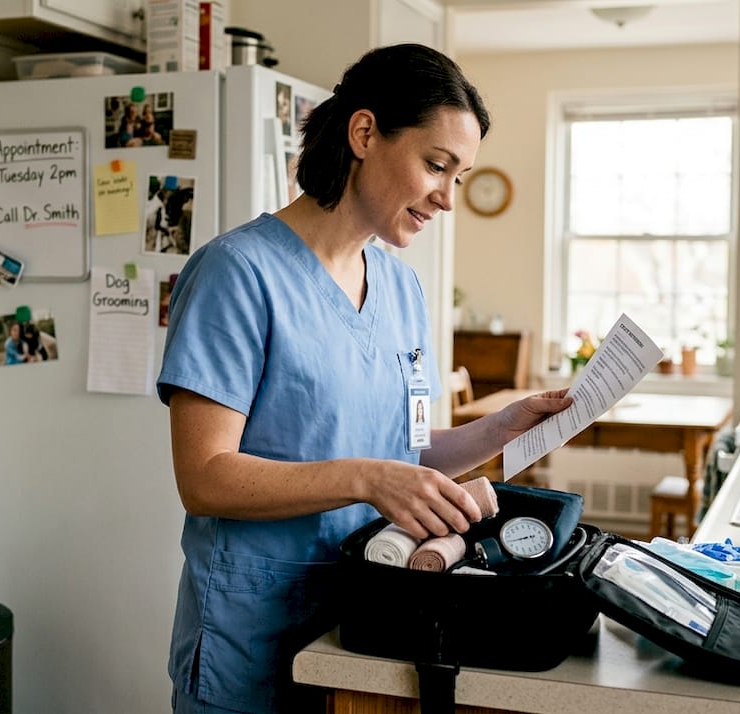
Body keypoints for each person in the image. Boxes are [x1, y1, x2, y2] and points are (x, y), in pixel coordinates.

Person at [156, 43, 573, 714]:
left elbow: (402, 450)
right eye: (436, 165)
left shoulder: (402, 289)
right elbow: (204, 476)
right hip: (255, 625)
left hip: (368, 619)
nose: (446, 197)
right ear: (364, 133)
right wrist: (366, 478)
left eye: (459, 177)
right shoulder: (237, 273)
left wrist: (499, 427)